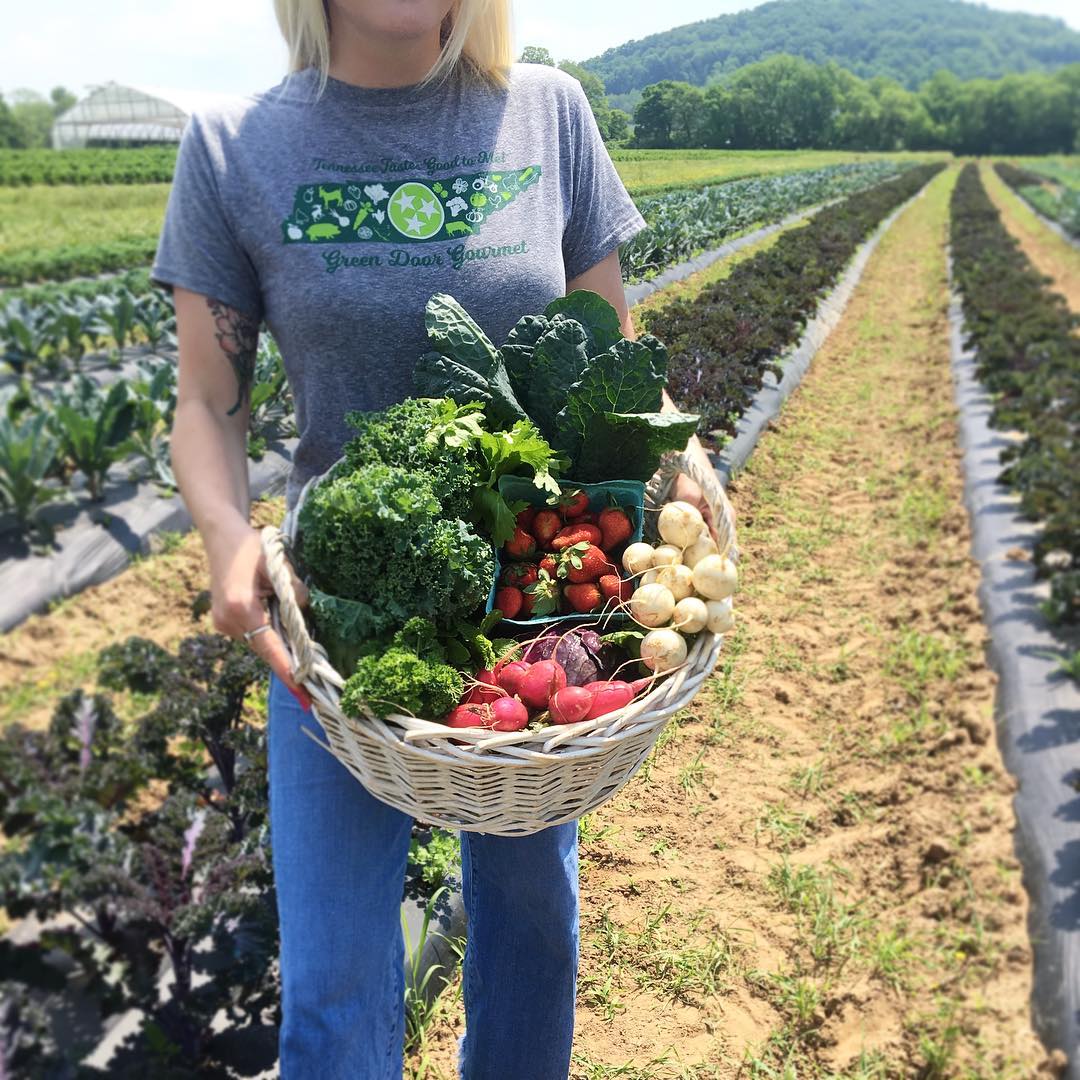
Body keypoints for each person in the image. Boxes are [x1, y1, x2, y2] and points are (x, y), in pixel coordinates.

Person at [154, 1, 717, 1075]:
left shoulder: (547, 113)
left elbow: (611, 358)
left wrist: (670, 474)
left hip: (523, 609)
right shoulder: (235, 143)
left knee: (531, 937)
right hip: (331, 618)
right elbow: (206, 403)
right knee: (333, 983)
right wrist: (227, 532)